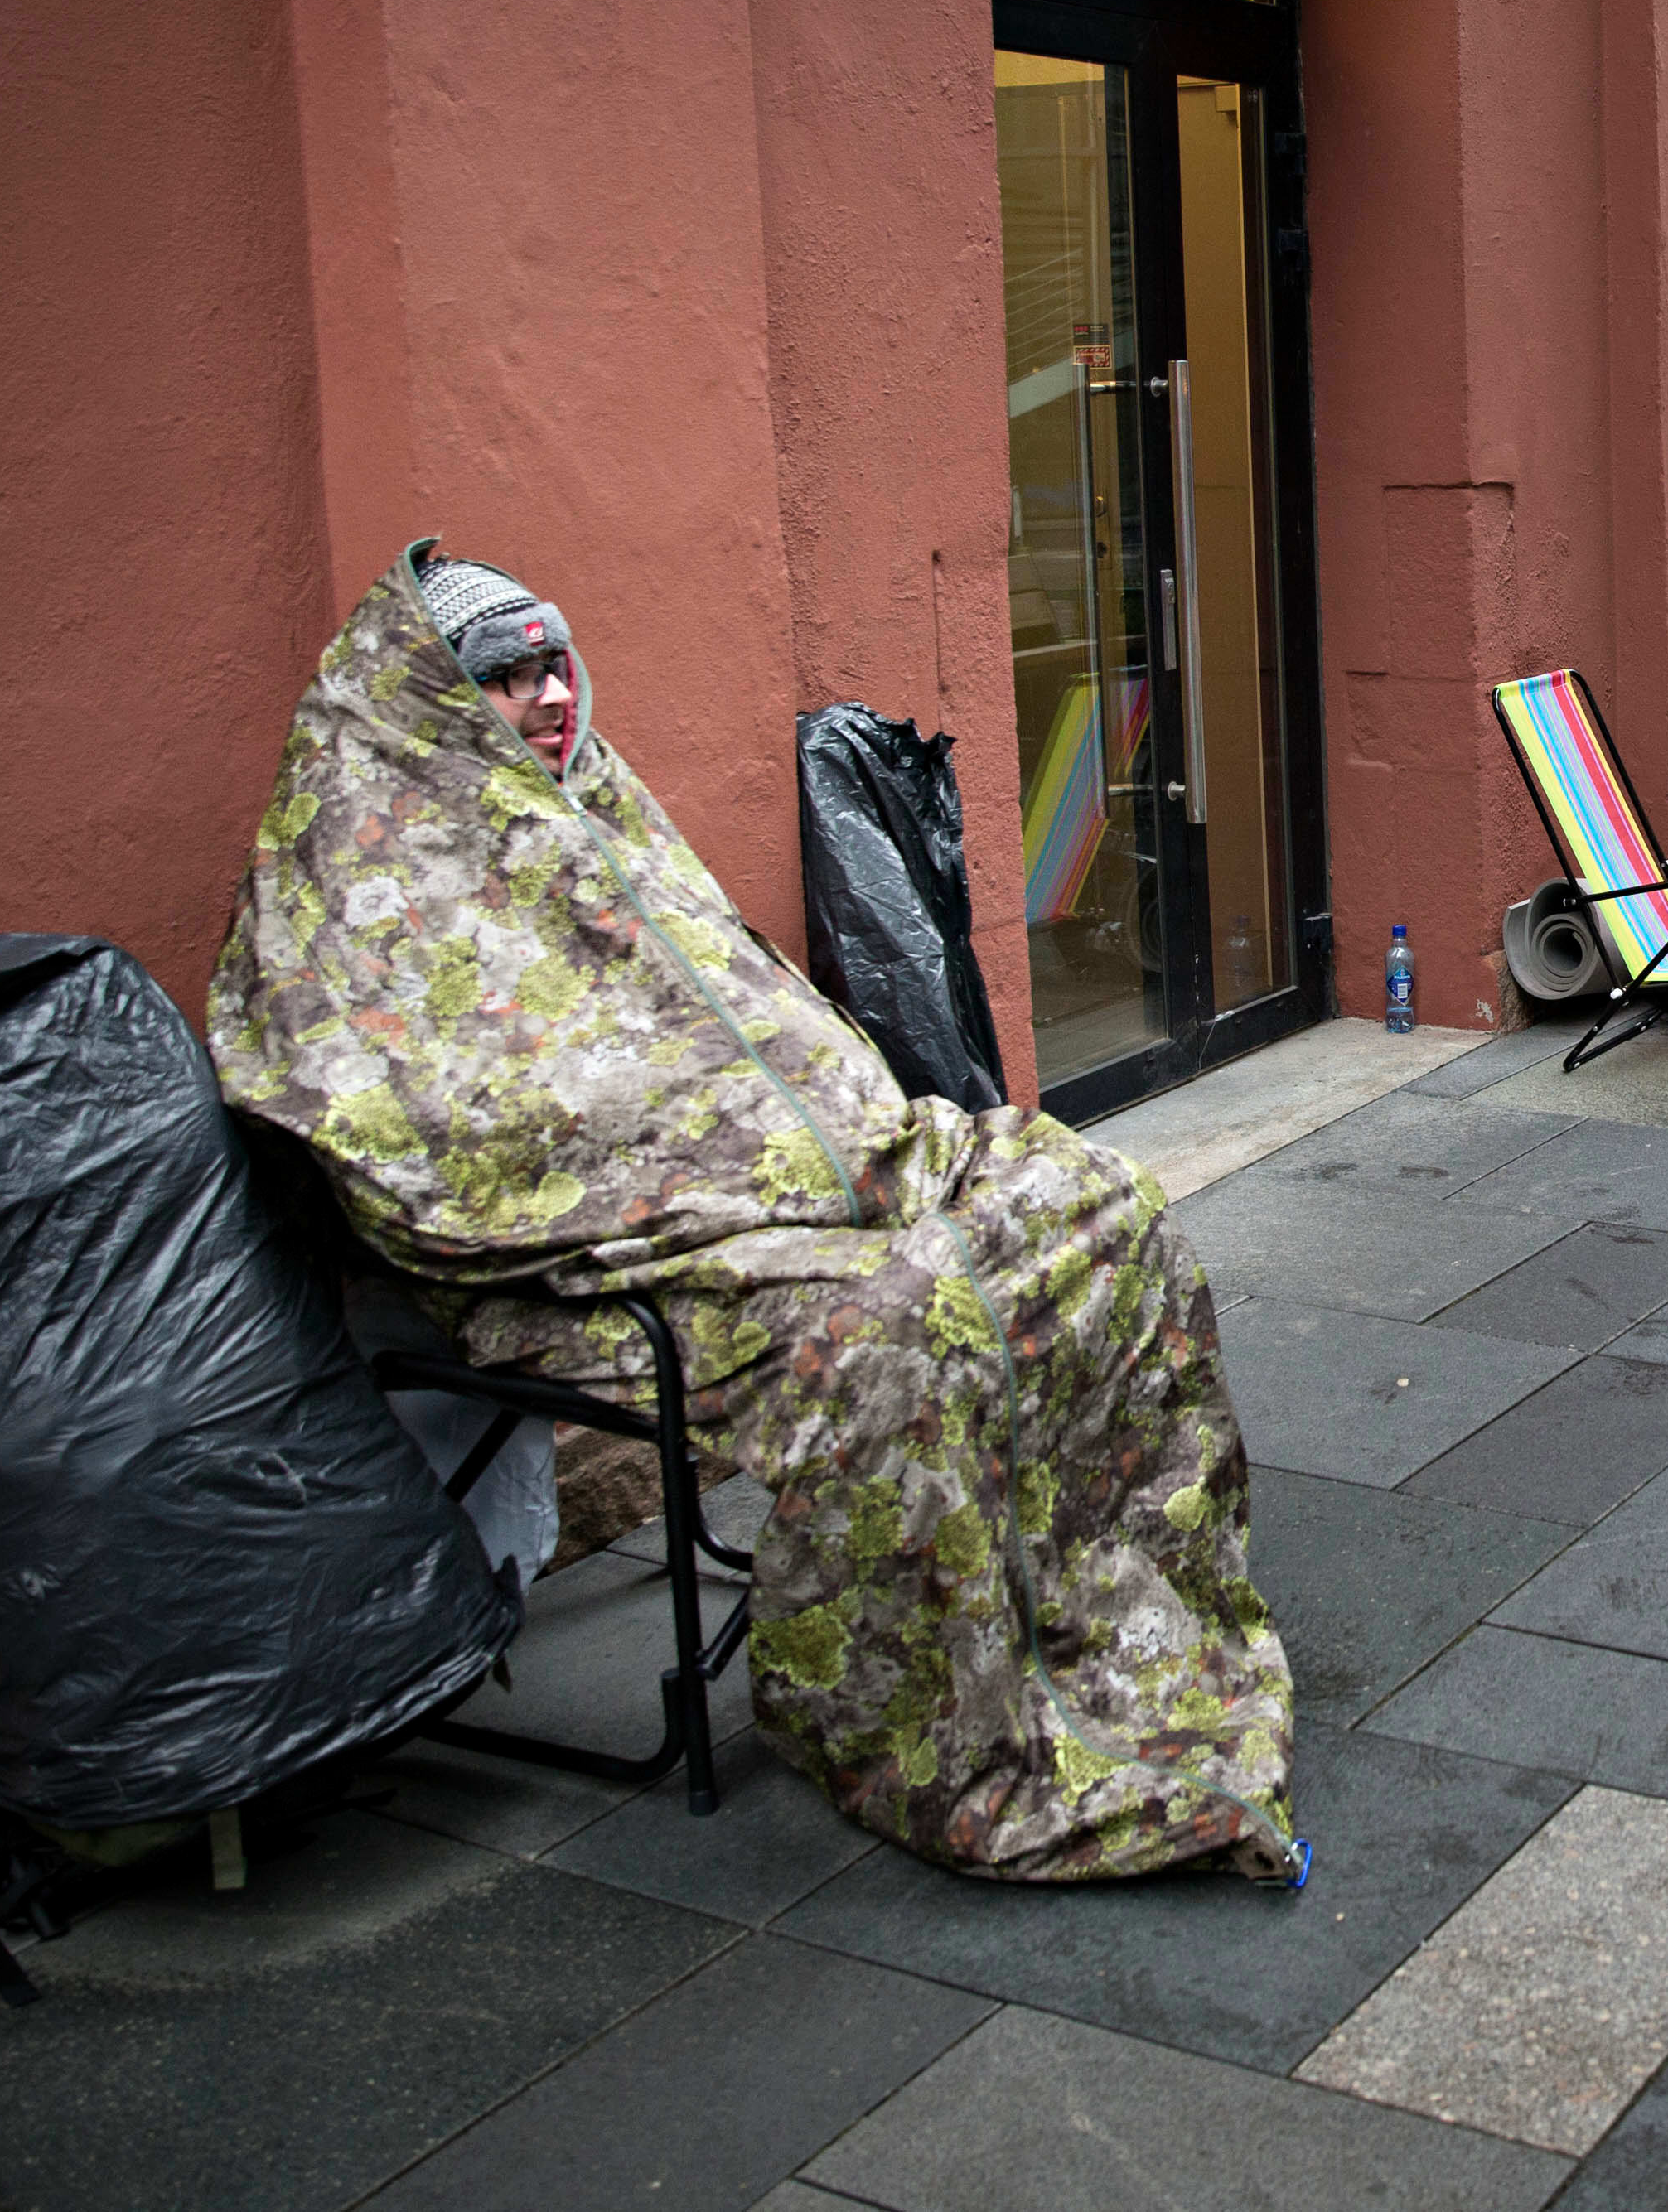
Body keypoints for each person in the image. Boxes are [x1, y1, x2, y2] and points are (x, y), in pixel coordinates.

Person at [210, 542, 1300, 1885]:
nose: (550, 696)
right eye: (503, 675)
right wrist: (727, 1176)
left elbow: (736, 1005)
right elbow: (418, 1139)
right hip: (599, 1262)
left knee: (1099, 1205)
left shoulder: (589, 800)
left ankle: (1110, 1609)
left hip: (814, 1173)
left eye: (554, 662)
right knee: (904, 1331)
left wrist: (827, 1145)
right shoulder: (352, 878)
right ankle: (917, 1718)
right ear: (429, 698)